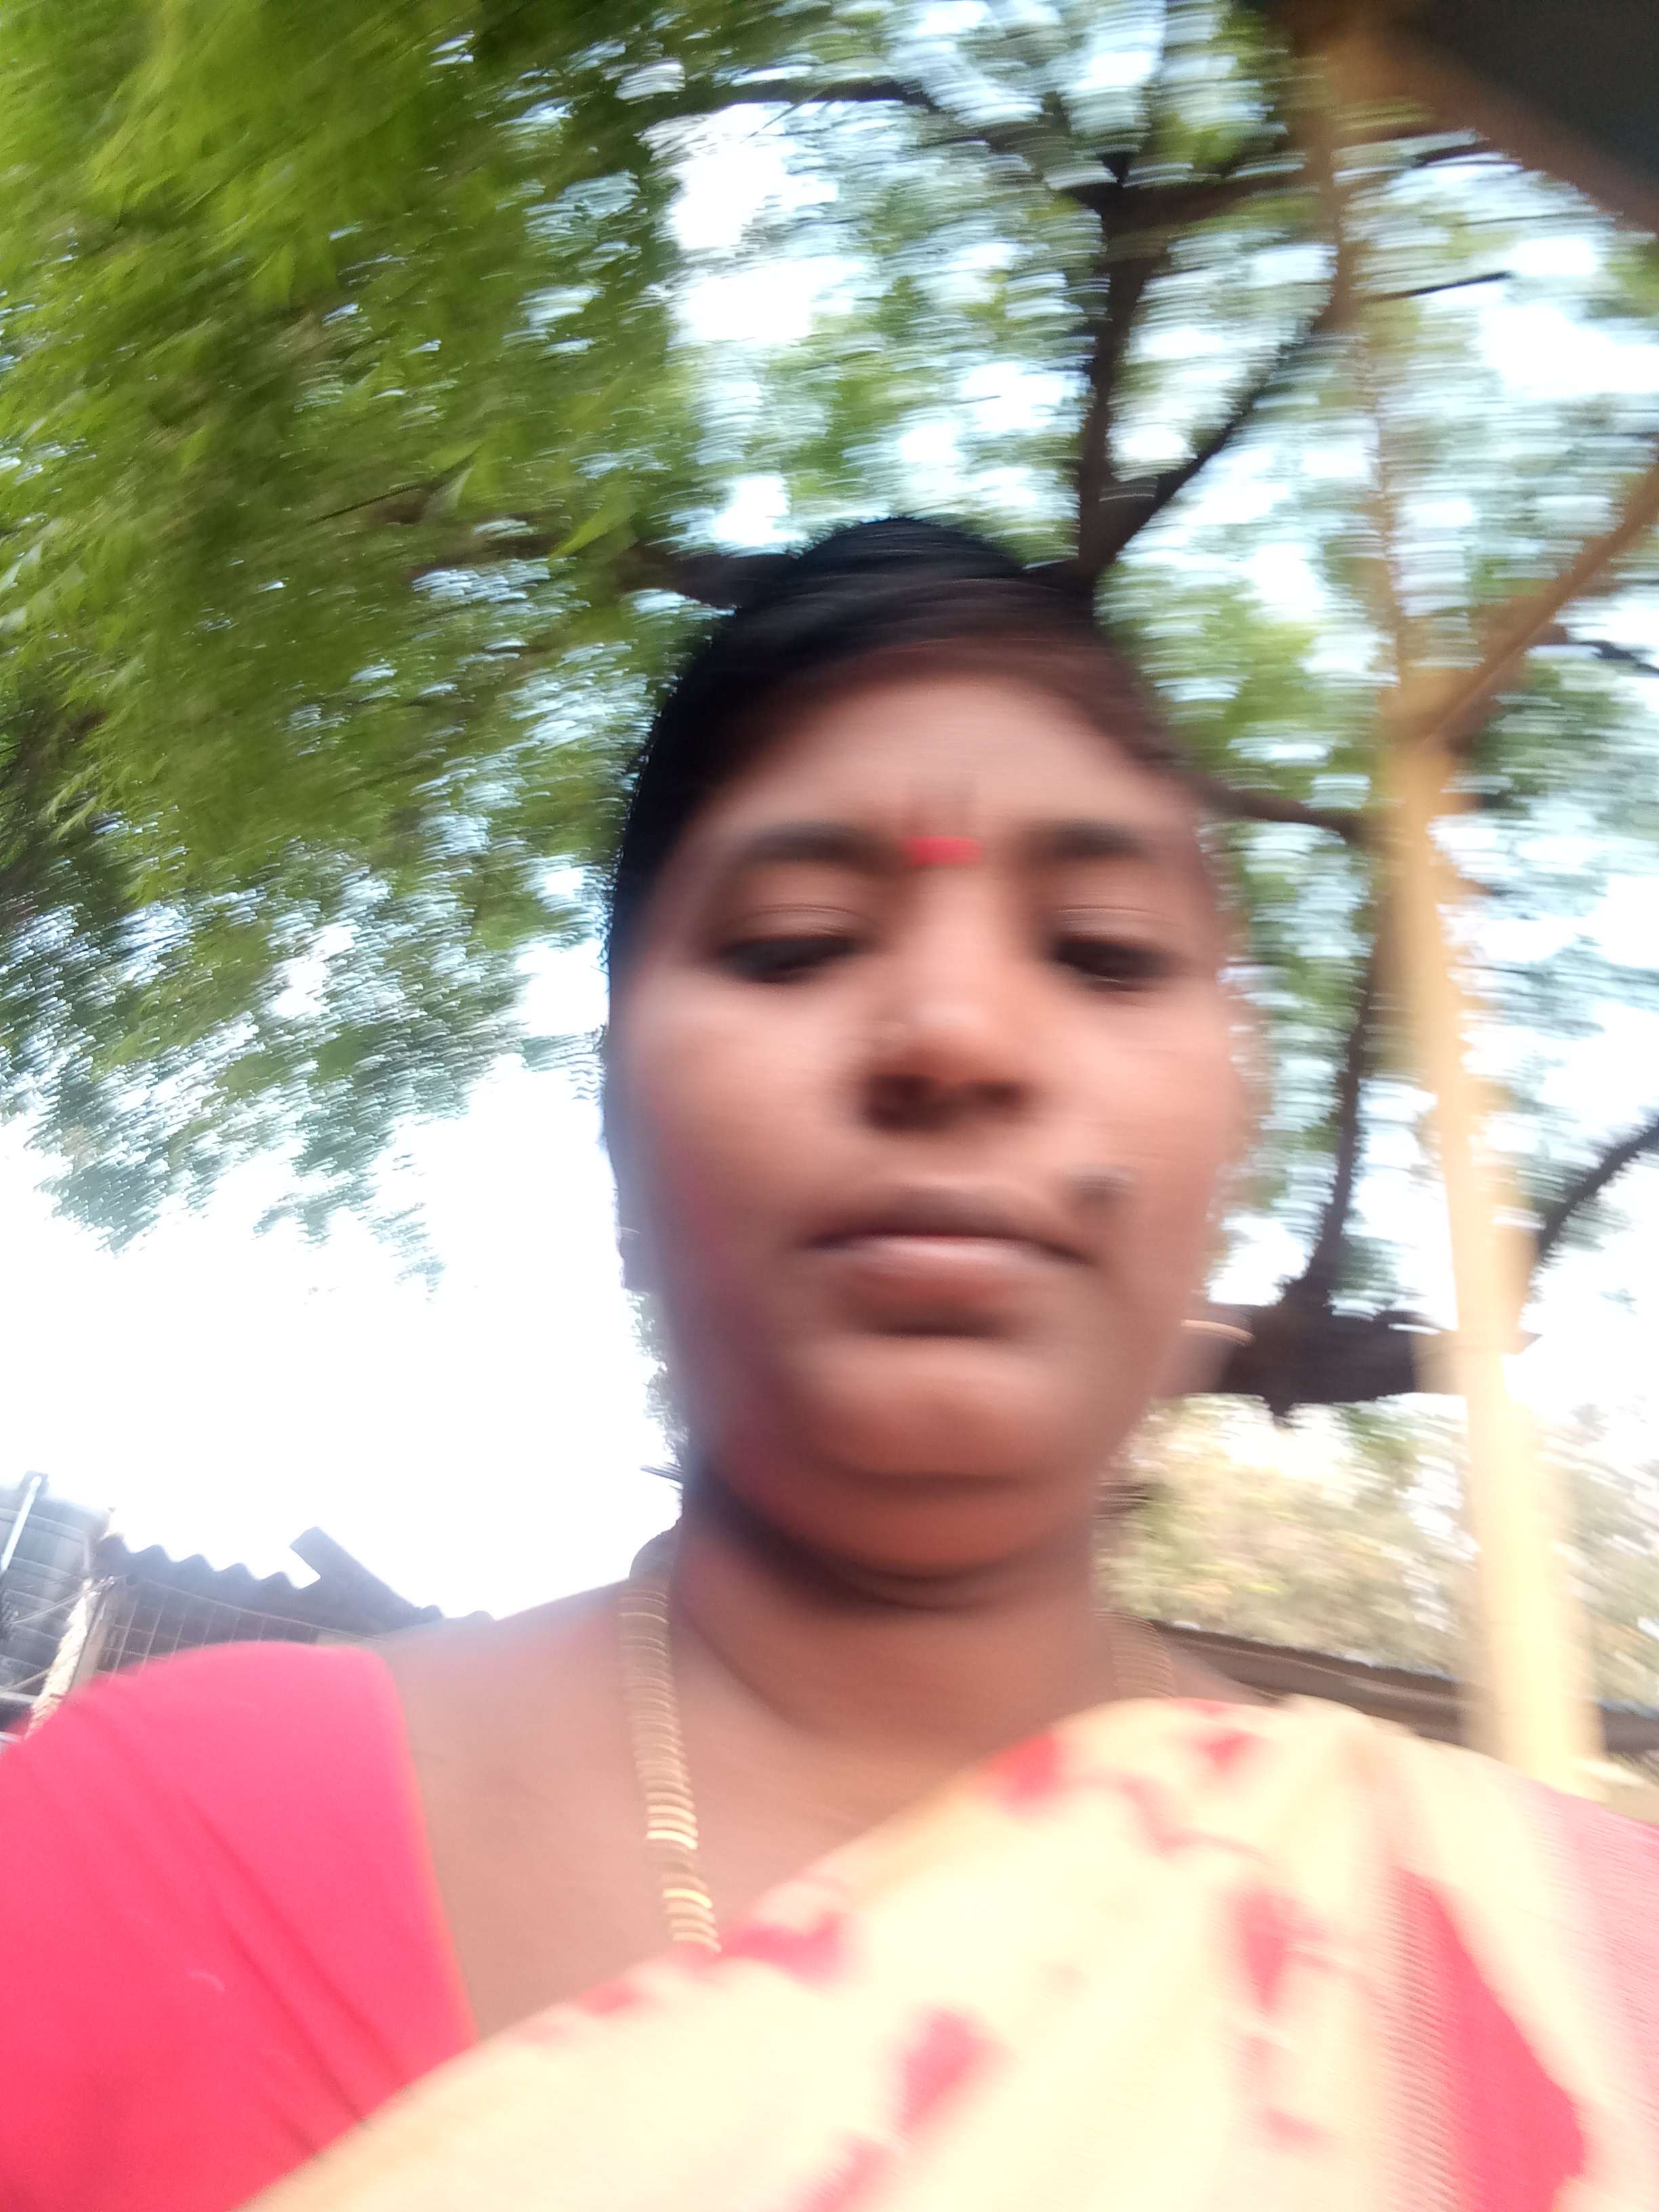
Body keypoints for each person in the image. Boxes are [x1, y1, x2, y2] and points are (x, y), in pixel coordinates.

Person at [3, 519, 1656, 2212]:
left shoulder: (1566, 1979)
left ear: (1236, 1122)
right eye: (795, 940)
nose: (955, 1034)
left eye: (1099, 949)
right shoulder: (141, 1870)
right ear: (616, 1120)